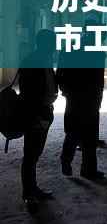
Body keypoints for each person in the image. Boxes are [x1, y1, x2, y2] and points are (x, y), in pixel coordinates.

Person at [57, 28, 106, 180]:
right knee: (88, 135)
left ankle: (68, 162)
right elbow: (99, 80)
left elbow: (60, 74)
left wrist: (66, 91)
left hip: (76, 98)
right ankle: (87, 169)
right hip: (88, 99)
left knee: (74, 132)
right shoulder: (97, 52)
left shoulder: (69, 49)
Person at [19, 29, 58, 212]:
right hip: (35, 114)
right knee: (30, 154)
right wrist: (34, 115)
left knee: (35, 153)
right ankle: (28, 194)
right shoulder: (31, 61)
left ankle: (33, 188)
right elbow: (27, 93)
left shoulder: (45, 60)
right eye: (52, 42)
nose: (54, 46)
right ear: (44, 43)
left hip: (44, 112)